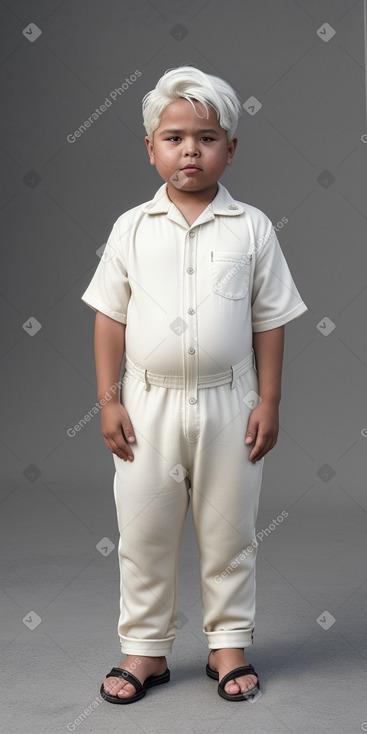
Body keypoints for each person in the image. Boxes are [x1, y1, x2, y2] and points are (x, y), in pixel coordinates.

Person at [81, 64, 308, 704]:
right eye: (174, 136)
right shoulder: (130, 228)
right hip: (145, 403)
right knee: (144, 528)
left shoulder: (253, 229)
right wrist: (109, 399)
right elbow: (109, 317)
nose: (190, 150)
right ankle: (145, 649)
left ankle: (228, 643)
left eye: (207, 137)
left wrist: (269, 399)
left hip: (229, 403)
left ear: (230, 148)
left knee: (230, 529)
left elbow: (269, 321)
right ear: (150, 147)